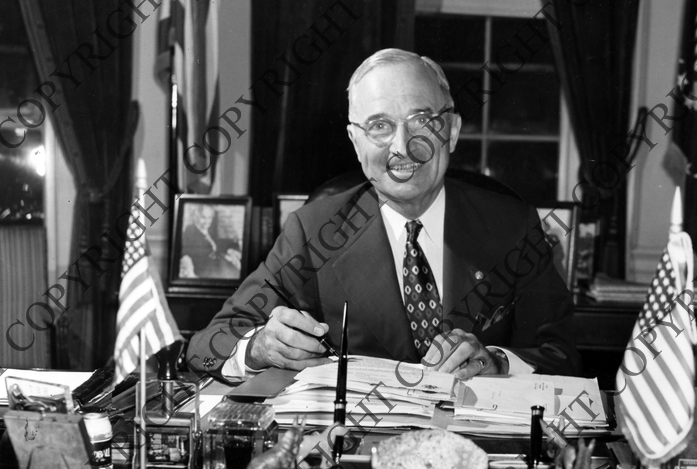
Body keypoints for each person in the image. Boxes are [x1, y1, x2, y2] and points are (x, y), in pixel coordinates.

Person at [187, 48, 580, 381]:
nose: (403, 146)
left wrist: (497, 362)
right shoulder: (313, 232)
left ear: (453, 131)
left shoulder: (513, 225)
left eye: (422, 121)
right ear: (356, 143)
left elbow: (564, 356)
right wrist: (258, 348)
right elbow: (206, 347)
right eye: (379, 126)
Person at [180, 204, 241, 280]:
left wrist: (230, 250)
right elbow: (187, 253)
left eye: (209, 218)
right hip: (205, 271)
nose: (207, 222)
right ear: (196, 217)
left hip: (216, 268)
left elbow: (218, 243)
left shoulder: (209, 230)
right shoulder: (190, 231)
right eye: (203, 217)